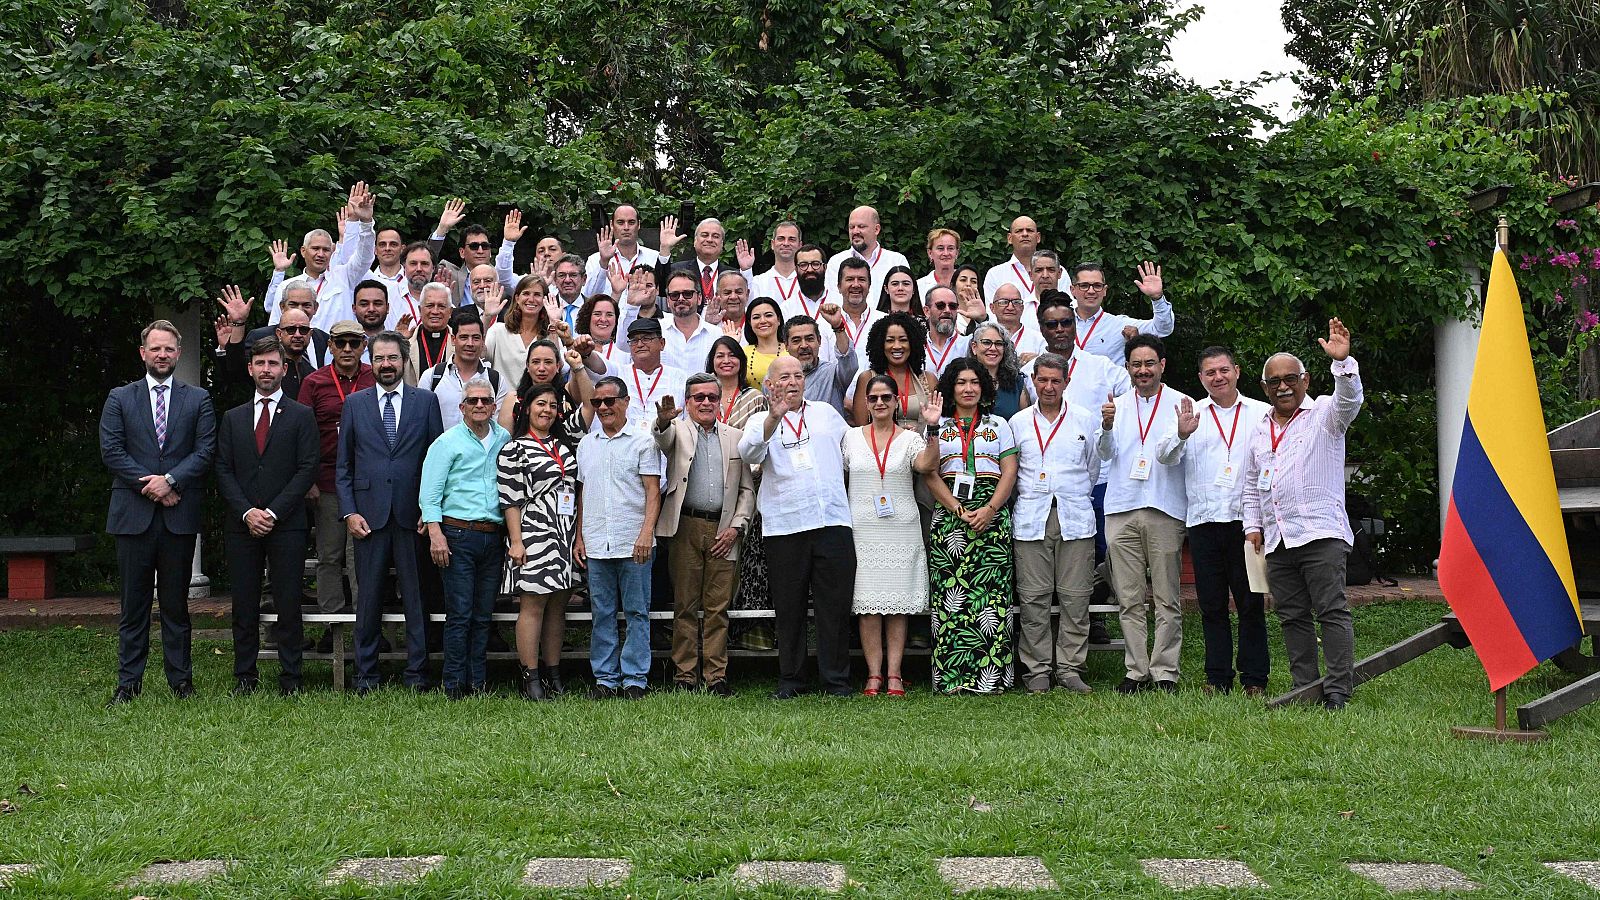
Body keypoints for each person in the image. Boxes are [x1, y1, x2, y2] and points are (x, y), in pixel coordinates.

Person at [1242, 319, 1363, 710]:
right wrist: (1253, 527)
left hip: (1320, 534)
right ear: (1264, 388)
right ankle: (1304, 688)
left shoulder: (1326, 413)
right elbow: (1250, 483)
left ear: (1306, 380)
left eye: (1290, 378)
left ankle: (1338, 691)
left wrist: (1343, 364)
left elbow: (1350, 401)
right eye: (1274, 381)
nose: (1283, 386)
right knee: (1292, 616)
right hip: (1278, 538)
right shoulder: (1259, 428)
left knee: (1331, 611)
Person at [101, 320, 216, 705]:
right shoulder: (120, 397)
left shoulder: (197, 398)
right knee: (132, 607)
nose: (162, 355)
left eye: (169, 349)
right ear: (143, 353)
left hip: (178, 516)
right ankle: (127, 685)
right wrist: (151, 485)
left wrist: (171, 480)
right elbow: (112, 451)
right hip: (133, 517)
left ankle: (180, 683)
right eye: (156, 348)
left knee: (176, 606)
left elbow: (204, 451)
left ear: (178, 353)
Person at [739, 356, 857, 698]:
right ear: (770, 384)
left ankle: (836, 680)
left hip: (832, 521)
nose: (792, 381)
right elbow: (749, 453)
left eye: (797, 375)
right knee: (789, 608)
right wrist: (774, 418)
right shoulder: (760, 420)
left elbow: (851, 453)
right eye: (784, 377)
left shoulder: (825, 413)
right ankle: (792, 679)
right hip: (785, 526)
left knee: (833, 606)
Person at [337, 331, 445, 694]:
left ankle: (417, 673)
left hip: (411, 515)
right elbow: (344, 467)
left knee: (416, 598)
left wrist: (430, 511)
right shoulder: (355, 404)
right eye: (380, 359)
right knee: (368, 598)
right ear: (372, 361)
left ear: (404, 361)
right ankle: (365, 675)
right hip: (367, 516)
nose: (386, 365)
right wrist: (349, 512)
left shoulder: (425, 402)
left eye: (393, 358)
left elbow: (436, 461)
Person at [215, 337, 320, 696]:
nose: (266, 370)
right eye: (260, 363)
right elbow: (223, 470)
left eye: (273, 363)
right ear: (250, 368)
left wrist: (273, 512)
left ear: (284, 368)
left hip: (286, 523)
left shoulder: (302, 416)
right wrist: (247, 512)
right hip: (241, 525)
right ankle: (245, 677)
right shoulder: (233, 418)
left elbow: (307, 469)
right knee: (243, 605)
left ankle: (291, 678)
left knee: (288, 603)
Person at [1097, 334, 1196, 694]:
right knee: (1129, 597)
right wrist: (1106, 427)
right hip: (1121, 508)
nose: (1143, 370)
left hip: (1164, 507)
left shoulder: (1180, 404)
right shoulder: (1116, 405)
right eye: (1136, 364)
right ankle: (1136, 670)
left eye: (1149, 363)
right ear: (1128, 368)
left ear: (1162, 365)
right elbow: (1105, 455)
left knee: (1168, 597)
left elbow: (1169, 456)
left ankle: (1165, 670)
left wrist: (1182, 436)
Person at [652, 374, 756, 695]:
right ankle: (685, 675)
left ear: (719, 400)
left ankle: (716, 676)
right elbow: (663, 438)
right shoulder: (678, 431)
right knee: (684, 605)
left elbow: (746, 492)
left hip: (724, 529)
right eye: (699, 397)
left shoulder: (735, 437)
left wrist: (736, 527)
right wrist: (663, 420)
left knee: (717, 607)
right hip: (685, 526)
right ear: (688, 402)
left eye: (712, 397)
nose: (706, 402)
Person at [923, 358, 1018, 694]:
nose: (968, 388)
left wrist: (991, 509)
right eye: (961, 382)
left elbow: (1009, 471)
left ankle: (990, 680)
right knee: (950, 597)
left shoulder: (1000, 424)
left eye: (974, 382)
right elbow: (929, 472)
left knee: (990, 599)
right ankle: (951, 680)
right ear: (950, 387)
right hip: (950, 518)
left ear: (983, 387)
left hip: (992, 517)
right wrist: (957, 508)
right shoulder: (938, 424)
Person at [1009, 352, 1102, 694]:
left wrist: (1071, 494)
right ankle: (1037, 670)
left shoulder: (1084, 420)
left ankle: (1070, 667)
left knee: (1075, 597)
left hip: (1074, 516)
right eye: (1043, 380)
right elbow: (1012, 472)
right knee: (1033, 598)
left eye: (1056, 380)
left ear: (1067, 382)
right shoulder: (1017, 423)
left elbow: (1093, 469)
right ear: (1033, 380)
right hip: (1032, 517)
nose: (1049, 387)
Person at [1183, 346, 1273, 697]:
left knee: (1251, 603)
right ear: (1201, 378)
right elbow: (1164, 455)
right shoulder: (1192, 414)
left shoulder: (1261, 413)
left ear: (1236, 371)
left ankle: (1254, 679)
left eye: (1223, 370)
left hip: (1246, 524)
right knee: (1211, 605)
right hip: (1204, 522)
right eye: (1210, 373)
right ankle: (1217, 677)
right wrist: (1181, 434)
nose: (1217, 377)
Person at [845, 374, 940, 697]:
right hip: (863, 528)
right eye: (874, 398)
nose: (880, 403)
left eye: (886, 397)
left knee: (897, 604)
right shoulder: (851, 438)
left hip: (901, 528)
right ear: (867, 403)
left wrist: (933, 430)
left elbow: (927, 465)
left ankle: (895, 674)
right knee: (868, 604)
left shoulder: (911, 438)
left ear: (897, 401)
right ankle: (874, 674)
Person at [499, 374, 590, 700]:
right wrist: (517, 541)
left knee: (557, 608)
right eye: (541, 404)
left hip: (564, 536)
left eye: (553, 405)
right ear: (527, 408)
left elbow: (577, 491)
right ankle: (531, 677)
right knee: (533, 606)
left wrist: (578, 536)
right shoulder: (514, 448)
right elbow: (510, 500)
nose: (547, 410)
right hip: (533, 535)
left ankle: (554, 674)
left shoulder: (564, 444)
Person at [420, 381, 512, 700]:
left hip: (492, 536)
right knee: (460, 613)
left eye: (486, 400)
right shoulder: (447, 443)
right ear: (462, 407)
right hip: (457, 534)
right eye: (472, 400)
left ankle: (478, 681)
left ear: (494, 406)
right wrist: (436, 535)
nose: (479, 405)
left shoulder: (504, 439)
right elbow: (429, 495)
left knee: (483, 614)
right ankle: (454, 683)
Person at [576, 376, 663, 700]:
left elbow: (653, 492)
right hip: (598, 542)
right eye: (597, 403)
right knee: (602, 613)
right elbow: (583, 494)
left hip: (633, 541)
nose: (603, 408)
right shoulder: (587, 444)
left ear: (626, 402)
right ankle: (605, 679)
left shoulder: (643, 442)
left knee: (638, 612)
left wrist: (645, 533)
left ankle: (635, 679)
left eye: (609, 401)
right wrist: (581, 536)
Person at [298, 322, 374, 621]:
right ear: (329, 346)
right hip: (327, 480)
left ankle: (364, 621)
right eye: (340, 342)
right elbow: (302, 434)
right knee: (329, 554)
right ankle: (333, 623)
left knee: (362, 556)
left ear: (363, 346)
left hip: (366, 481)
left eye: (353, 343)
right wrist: (309, 479)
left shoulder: (373, 377)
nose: (346, 349)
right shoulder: (314, 382)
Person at [707, 337, 774, 650]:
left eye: (732, 355)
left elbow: (760, 442)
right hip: (707, 482)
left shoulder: (755, 398)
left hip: (748, 481)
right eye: (719, 355)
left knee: (750, 554)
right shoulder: (703, 395)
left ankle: (750, 627)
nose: (726, 361)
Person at [264, 183, 377, 329]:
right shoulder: (287, 286)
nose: (321, 254)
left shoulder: (345, 277)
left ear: (332, 251)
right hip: (299, 350)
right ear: (303, 251)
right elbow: (275, 326)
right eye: (315, 249)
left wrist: (366, 223)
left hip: (339, 350)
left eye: (326, 250)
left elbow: (364, 258)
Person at [214, 283, 329, 398]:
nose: (300, 310)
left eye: (306, 305)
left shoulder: (323, 339)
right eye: (293, 305)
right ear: (282, 307)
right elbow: (237, 373)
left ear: (315, 308)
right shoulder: (260, 336)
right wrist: (238, 325)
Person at [1070, 261, 1174, 366]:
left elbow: (1162, 328)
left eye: (1097, 286)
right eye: (1084, 285)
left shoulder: (1119, 325)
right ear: (1072, 290)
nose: (1091, 291)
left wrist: (1157, 298)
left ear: (1105, 290)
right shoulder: (1058, 323)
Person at [423, 311, 512, 431]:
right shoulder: (432, 376)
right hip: (441, 448)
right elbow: (421, 422)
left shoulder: (495, 380)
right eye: (464, 337)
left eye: (475, 338)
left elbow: (498, 427)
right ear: (453, 340)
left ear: (483, 340)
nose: (470, 344)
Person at [850, 312, 938, 428]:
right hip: (881, 445)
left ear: (913, 343)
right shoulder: (867, 378)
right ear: (880, 344)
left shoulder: (929, 379)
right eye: (890, 340)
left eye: (903, 340)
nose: (897, 346)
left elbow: (938, 422)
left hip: (923, 445)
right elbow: (861, 428)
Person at [500, 338, 596, 432]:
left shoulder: (568, 392)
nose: (541, 368)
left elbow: (590, 403)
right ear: (528, 366)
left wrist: (578, 365)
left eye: (548, 362)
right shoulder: (513, 399)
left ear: (558, 366)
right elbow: (505, 441)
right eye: (536, 362)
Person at [612, 317, 689, 432]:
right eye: (634, 340)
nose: (639, 344)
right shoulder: (619, 373)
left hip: (667, 445)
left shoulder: (680, 377)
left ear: (662, 343)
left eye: (646, 339)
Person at [656, 215, 756, 301]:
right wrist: (665, 248)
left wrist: (746, 270)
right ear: (695, 241)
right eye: (704, 235)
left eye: (715, 236)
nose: (709, 239)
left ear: (722, 244)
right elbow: (660, 290)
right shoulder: (677, 270)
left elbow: (747, 301)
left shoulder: (733, 274)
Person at [825, 205, 910, 301]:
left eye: (861, 226)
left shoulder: (896, 261)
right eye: (852, 227)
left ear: (876, 229)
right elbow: (832, 300)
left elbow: (905, 300)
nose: (855, 231)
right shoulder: (836, 262)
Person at [783, 310, 856, 418]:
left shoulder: (833, 374)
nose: (804, 345)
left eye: (809, 339)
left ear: (819, 341)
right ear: (786, 346)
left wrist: (838, 327)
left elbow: (848, 361)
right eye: (796, 340)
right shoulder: (777, 379)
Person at [486, 274, 554, 378]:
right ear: (517, 298)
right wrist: (487, 316)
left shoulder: (551, 335)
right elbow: (479, 354)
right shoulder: (498, 331)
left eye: (537, 295)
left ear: (544, 300)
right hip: (502, 394)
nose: (531, 299)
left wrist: (554, 322)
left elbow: (560, 366)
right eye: (526, 293)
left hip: (539, 394)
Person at [584, 205, 661, 296]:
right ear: (612, 225)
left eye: (631, 222)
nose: (626, 227)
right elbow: (589, 296)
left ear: (638, 225)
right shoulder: (595, 260)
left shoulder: (654, 257)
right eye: (620, 222)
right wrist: (604, 262)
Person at [661, 270, 721, 374]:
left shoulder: (717, 334)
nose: (680, 299)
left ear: (699, 298)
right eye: (674, 295)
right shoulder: (657, 331)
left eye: (687, 294)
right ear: (667, 301)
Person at [968, 322, 1032, 418]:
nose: (993, 348)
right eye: (986, 342)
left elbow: (1025, 422)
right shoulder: (962, 381)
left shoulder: (1016, 381)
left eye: (999, 344)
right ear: (974, 347)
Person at [982, 216, 1043, 312]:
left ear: (1038, 237)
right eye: (1019, 231)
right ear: (1009, 238)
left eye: (1029, 230)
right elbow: (992, 314)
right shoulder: (995, 274)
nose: (1025, 234)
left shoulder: (1056, 272)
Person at [401, 283, 455, 386]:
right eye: (430, 305)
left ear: (450, 311)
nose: (435, 311)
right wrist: (398, 341)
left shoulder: (460, 342)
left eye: (441, 306)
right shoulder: (407, 342)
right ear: (420, 310)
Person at [834, 257, 882, 369]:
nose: (856, 285)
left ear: (869, 286)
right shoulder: (824, 324)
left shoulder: (884, 321)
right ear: (839, 287)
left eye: (861, 279)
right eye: (850, 279)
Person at [749, 221, 803, 310]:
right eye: (781, 238)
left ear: (800, 245)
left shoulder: (809, 280)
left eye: (791, 239)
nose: (786, 243)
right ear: (772, 244)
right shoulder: (758, 282)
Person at [989, 284, 1046, 363]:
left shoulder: (1038, 340)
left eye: (1016, 302)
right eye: (1004, 302)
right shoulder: (984, 338)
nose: (1010, 307)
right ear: (992, 308)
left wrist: (1038, 362)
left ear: (1022, 308)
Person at [922, 285, 970, 379]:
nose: (947, 310)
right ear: (927, 311)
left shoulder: (968, 344)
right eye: (940, 306)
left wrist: (982, 318)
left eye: (952, 306)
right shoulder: (915, 346)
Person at [577, 293, 630, 373]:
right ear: (587, 317)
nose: (603, 319)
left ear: (616, 320)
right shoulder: (576, 345)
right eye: (597, 314)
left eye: (609, 315)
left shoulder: (625, 352)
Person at [742, 296, 786, 388]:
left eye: (768, 315)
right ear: (750, 323)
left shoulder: (792, 350)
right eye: (756, 317)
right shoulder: (743, 354)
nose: (762, 321)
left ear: (778, 320)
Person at [916, 227, 960, 297]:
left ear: (957, 253)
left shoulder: (968, 283)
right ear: (930, 253)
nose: (946, 253)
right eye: (940, 248)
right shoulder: (918, 287)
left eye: (950, 248)